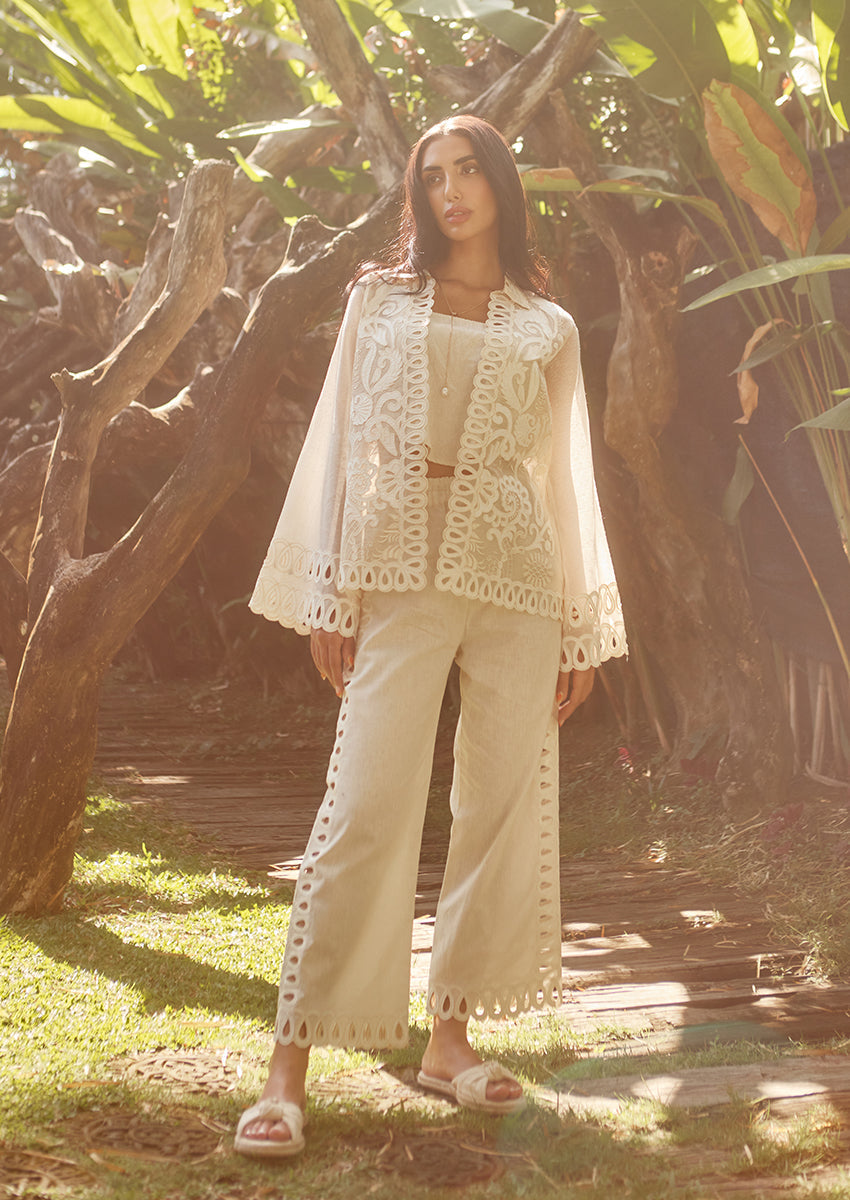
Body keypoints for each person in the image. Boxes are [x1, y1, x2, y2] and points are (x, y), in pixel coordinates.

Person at [236, 114, 626, 1158]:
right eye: (433, 176)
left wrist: (579, 627)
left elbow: (566, 481)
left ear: (500, 184)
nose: (450, 191)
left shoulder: (549, 325)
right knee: (363, 806)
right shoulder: (379, 300)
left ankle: (449, 1045)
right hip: (397, 571)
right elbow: (337, 444)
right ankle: (287, 1068)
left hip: (516, 575)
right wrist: (333, 591)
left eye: (467, 172)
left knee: (497, 809)